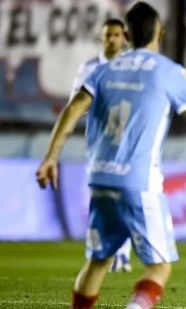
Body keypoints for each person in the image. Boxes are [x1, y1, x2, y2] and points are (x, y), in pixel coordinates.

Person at [36, 3, 186, 309]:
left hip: (99, 178)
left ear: (125, 35)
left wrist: (51, 157)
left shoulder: (102, 70)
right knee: (160, 265)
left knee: (98, 259)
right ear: (160, 34)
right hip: (139, 182)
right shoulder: (170, 71)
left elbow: (71, 112)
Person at [69, 18, 133, 273]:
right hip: (99, 143)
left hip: (128, 141)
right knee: (101, 198)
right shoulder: (90, 68)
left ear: (124, 37)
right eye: (108, 35)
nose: (112, 39)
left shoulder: (131, 66)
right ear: (102, 38)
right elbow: (76, 103)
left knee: (127, 195)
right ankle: (101, 248)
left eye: (116, 34)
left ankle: (124, 254)